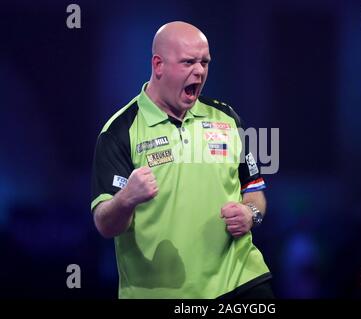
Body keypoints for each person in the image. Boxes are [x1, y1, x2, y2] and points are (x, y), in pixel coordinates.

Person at [91, 21, 273, 298]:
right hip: (162, 292)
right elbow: (105, 224)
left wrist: (251, 214)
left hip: (240, 280)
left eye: (204, 62)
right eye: (188, 62)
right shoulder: (118, 132)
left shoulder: (226, 118)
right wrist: (126, 198)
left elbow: (254, 188)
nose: (199, 71)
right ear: (158, 65)